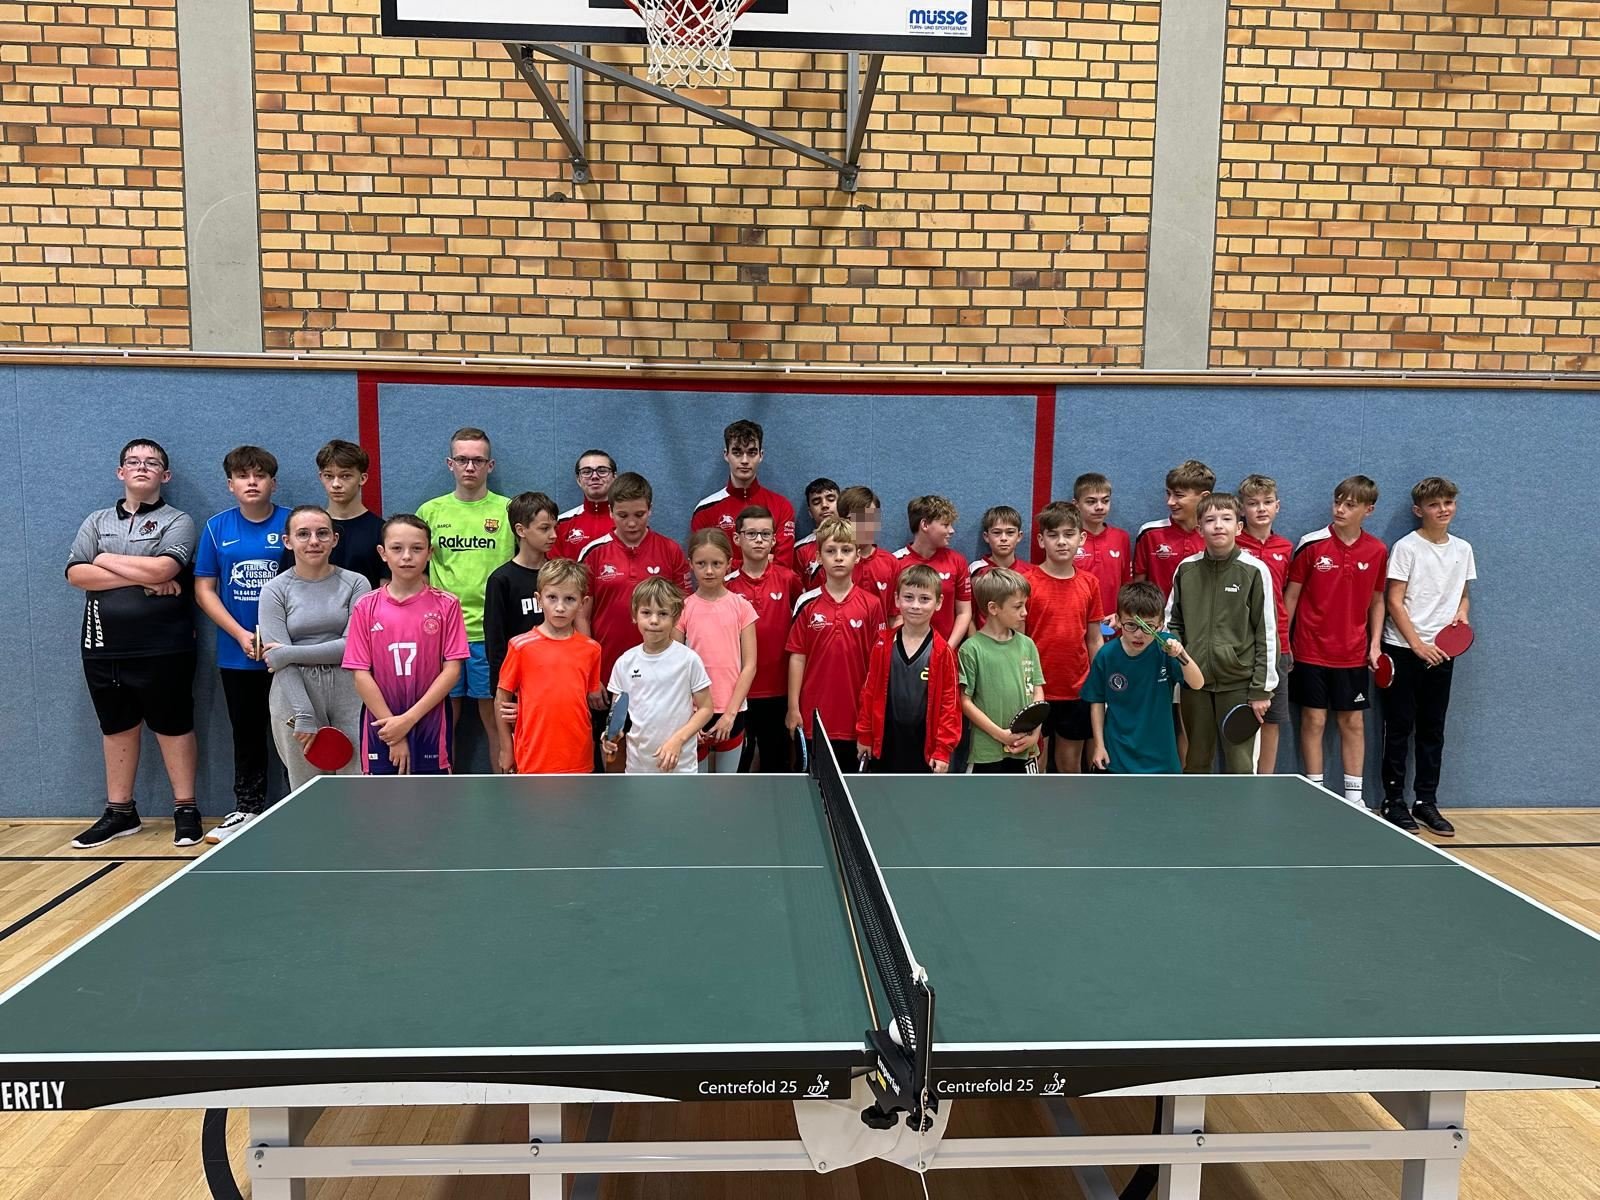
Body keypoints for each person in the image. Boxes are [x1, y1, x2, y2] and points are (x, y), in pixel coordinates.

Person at [66, 439, 202, 850]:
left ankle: (186, 809)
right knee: (116, 727)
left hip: (165, 645)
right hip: (103, 646)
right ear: (120, 472)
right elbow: (76, 574)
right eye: (133, 461)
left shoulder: (178, 521)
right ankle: (121, 812)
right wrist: (146, 578)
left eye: (152, 462)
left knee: (173, 725)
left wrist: (104, 559)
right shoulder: (96, 521)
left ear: (165, 475)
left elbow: (166, 567)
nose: (142, 467)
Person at [240, 505, 371, 840]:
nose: (314, 541)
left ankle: (360, 856)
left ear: (334, 539)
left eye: (322, 533)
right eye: (303, 534)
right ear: (288, 541)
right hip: (293, 694)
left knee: (359, 786)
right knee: (306, 790)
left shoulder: (356, 583)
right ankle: (316, 858)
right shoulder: (274, 590)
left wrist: (288, 653)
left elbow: (352, 647)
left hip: (351, 689)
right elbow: (277, 662)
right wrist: (303, 712)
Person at [194, 445, 289, 828]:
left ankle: (301, 802)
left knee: (295, 732)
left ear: (273, 483)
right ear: (230, 484)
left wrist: (282, 639)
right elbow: (205, 590)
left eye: (260, 475)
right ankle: (248, 807)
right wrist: (240, 634)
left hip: (287, 652)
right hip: (237, 653)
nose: (252, 482)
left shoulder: (292, 522)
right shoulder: (217, 528)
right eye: (243, 476)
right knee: (246, 734)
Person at [1379, 477, 1475, 836]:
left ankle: (1425, 801)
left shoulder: (1463, 549)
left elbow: (1462, 595)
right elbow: (1394, 601)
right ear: (1419, 511)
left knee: (1433, 728)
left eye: (1448, 502)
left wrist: (1462, 613)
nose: (1443, 509)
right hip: (1404, 650)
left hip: (1443, 653)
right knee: (1399, 727)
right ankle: (1393, 800)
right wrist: (1418, 645)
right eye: (1435, 504)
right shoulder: (1407, 548)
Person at [1284, 475, 1387, 805]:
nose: (1340, 509)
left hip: (1353, 653)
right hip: (1310, 650)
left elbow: (1378, 600)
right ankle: (1315, 795)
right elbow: (1291, 597)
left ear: (1368, 510)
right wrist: (1285, 643)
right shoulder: (1311, 544)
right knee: (1313, 720)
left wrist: (1374, 644)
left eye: (1350, 505)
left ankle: (1355, 799)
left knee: (1352, 722)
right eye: (1337, 502)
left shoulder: (1377, 550)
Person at [578, 472, 691, 767]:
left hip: (660, 678)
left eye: (639, 515)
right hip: (608, 677)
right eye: (623, 515)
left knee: (655, 755)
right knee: (612, 752)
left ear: (650, 510)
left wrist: (674, 669)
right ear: (611, 511)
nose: (631, 523)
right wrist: (592, 676)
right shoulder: (594, 553)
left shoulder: (670, 550)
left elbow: (682, 615)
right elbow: (581, 616)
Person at [341, 514, 469, 775]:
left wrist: (407, 721)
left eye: (417, 548)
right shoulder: (366, 606)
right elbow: (360, 674)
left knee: (433, 796)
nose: (407, 556)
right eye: (397, 548)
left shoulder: (447, 605)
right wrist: (393, 730)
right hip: (381, 725)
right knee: (383, 797)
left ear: (430, 553)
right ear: (383, 553)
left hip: (430, 722)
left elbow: (452, 670)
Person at [416, 426, 514, 763]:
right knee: (443, 721)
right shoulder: (429, 512)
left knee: (497, 722)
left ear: (490, 465)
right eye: (462, 459)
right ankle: (444, 791)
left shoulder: (508, 511)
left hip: (491, 634)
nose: (469, 467)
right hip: (442, 634)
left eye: (478, 460)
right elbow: (416, 571)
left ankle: (507, 790)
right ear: (450, 464)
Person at [1165, 493, 1278, 775]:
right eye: (1210, 520)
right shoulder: (1186, 570)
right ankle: (1196, 806)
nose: (1218, 525)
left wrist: (1261, 689)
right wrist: (1179, 657)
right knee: (1196, 762)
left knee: (1240, 766)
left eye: (1226, 519)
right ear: (1199, 528)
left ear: (1238, 527)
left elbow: (1266, 633)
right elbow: (1172, 622)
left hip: (1238, 685)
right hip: (1195, 686)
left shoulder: (1255, 571)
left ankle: (1241, 808)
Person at [785, 516, 886, 769]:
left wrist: (870, 720)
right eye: (831, 551)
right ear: (819, 557)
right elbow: (797, 657)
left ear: (857, 556)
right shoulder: (806, 604)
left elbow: (878, 667)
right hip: (814, 718)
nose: (839, 557)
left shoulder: (872, 605)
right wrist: (793, 707)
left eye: (846, 550)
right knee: (815, 784)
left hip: (856, 721)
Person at [497, 559, 604, 775]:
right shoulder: (520, 646)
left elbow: (579, 700)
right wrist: (506, 749)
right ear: (539, 599)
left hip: (578, 755)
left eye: (570, 599)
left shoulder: (592, 649)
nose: (560, 607)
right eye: (552, 597)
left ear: (582, 603)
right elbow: (501, 699)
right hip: (533, 755)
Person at [1085, 582, 1205, 773]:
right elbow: (1097, 702)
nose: (1139, 634)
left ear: (1160, 625)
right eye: (1131, 625)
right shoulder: (1106, 655)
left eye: (1148, 627)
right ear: (1118, 620)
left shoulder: (1166, 649)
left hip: (1162, 758)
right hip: (1118, 755)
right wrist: (1099, 745)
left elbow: (1197, 683)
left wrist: (1181, 655)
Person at [855, 564, 962, 773]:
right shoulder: (882, 645)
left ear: (939, 602)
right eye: (908, 597)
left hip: (924, 752)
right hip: (885, 747)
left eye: (924, 599)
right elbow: (869, 693)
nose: (915, 605)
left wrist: (942, 749)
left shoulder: (943, 652)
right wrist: (865, 735)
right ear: (897, 599)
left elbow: (949, 706)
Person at [603, 579, 714, 775]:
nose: (654, 620)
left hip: (681, 768)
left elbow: (706, 709)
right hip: (638, 769)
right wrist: (611, 736)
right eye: (646, 613)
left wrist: (678, 740)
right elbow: (618, 716)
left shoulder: (688, 660)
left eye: (662, 614)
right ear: (635, 615)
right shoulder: (624, 662)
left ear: (676, 617)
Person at [483, 491, 559, 771]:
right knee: (521, 760)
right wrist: (503, 693)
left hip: (556, 683)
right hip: (520, 689)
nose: (553, 535)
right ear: (521, 530)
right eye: (544, 528)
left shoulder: (559, 575)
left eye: (554, 527)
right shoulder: (502, 580)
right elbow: (496, 644)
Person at [1027, 501, 1104, 774]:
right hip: (1035, 691)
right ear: (1041, 540)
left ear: (1081, 538)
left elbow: (1094, 639)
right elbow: (1017, 640)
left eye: (1069, 534)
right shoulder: (1026, 582)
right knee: (1036, 763)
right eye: (1053, 535)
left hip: (1077, 690)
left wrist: (1099, 684)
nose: (1061, 541)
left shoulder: (1089, 583)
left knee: (1070, 765)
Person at [728, 505, 803, 773]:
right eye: (751, 534)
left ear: (774, 540)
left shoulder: (789, 580)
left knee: (777, 764)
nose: (759, 540)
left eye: (765, 534)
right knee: (740, 765)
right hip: (739, 692)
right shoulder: (727, 585)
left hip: (779, 691)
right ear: (737, 539)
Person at [678, 529, 758, 773]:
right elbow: (676, 666)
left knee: (727, 786)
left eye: (716, 563)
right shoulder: (683, 609)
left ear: (729, 564)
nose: (709, 571)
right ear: (690, 564)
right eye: (701, 564)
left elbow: (750, 665)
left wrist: (730, 715)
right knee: (698, 786)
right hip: (693, 712)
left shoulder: (742, 607)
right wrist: (689, 717)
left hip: (731, 710)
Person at [958, 567, 1046, 774]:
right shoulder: (971, 649)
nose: (1025, 612)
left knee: (1027, 795)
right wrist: (1001, 735)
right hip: (987, 753)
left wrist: (1034, 734)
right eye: (1017, 606)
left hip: (1026, 749)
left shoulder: (1027, 645)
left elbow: (1037, 691)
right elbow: (965, 702)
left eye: (1025, 605)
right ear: (993, 608)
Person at [1236, 474, 1295, 775]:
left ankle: (1266, 781)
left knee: (1272, 719)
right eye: (1253, 503)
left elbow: (1284, 598)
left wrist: (1286, 643)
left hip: (1276, 644)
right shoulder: (1232, 544)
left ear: (1277, 506)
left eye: (1267, 502)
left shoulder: (1285, 547)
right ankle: (1241, 779)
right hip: (1241, 645)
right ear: (1242, 509)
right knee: (1241, 719)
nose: (1261, 508)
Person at [690, 419, 797, 564]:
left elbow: (783, 566)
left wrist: (729, 564)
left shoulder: (782, 507)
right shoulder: (705, 511)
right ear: (726, 455)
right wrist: (760, 562)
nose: (745, 460)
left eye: (752, 452)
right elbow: (704, 567)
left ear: (761, 455)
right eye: (737, 452)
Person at [892, 494, 973, 648]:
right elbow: (894, 615)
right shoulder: (895, 563)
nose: (952, 530)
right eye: (945, 525)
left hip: (946, 650)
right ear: (925, 525)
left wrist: (946, 649)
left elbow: (964, 612)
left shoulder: (957, 561)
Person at [1133, 459, 1213, 601]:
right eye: (1168, 494)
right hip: (1158, 614)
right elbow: (1138, 586)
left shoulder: (1217, 535)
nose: (1170, 502)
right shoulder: (1149, 533)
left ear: (1204, 497)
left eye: (1179, 495)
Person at [316, 439, 385, 587]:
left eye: (345, 476)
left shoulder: (381, 531)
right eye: (329, 476)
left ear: (362, 478)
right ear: (320, 477)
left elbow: (388, 590)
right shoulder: (308, 530)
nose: (336, 484)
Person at [1072, 472, 1132, 631]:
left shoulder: (1121, 537)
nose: (1099, 507)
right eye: (1091, 501)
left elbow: (1126, 583)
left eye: (1105, 501)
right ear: (1076, 504)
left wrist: (1122, 615)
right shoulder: (1068, 540)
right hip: (1078, 623)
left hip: (1114, 623)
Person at [969, 504, 1028, 632]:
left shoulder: (1029, 572)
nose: (1003, 538)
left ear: (1019, 536)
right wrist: (975, 643)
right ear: (986, 536)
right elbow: (969, 616)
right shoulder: (976, 571)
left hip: (1019, 641)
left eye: (1010, 532)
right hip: (984, 641)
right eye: (997, 533)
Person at [838, 485, 901, 599]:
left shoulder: (891, 563)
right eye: (856, 519)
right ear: (842, 521)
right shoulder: (834, 564)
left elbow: (896, 608)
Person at [554, 449, 617, 560]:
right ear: (578, 479)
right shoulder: (560, 524)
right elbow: (554, 569)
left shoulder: (628, 521)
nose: (594, 476)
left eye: (602, 471)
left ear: (614, 477)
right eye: (586, 472)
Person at [791, 476, 839, 579]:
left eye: (830, 499)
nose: (824, 505)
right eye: (817, 502)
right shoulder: (799, 550)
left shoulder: (857, 542)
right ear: (810, 512)